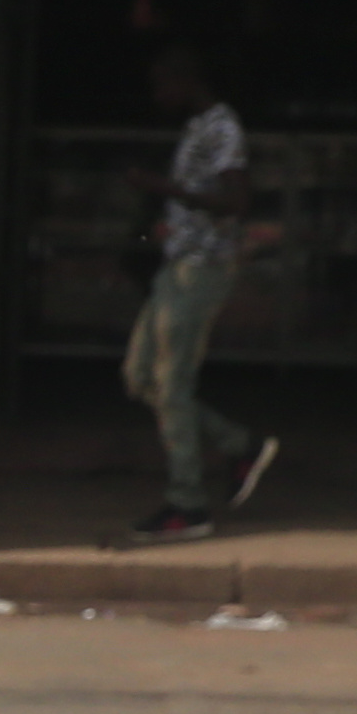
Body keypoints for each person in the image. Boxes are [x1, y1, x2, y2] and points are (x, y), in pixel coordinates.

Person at [120, 47, 276, 543]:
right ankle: (238, 445)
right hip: (178, 264)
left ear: (187, 79)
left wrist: (167, 189)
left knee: (171, 382)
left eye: (164, 84)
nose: (159, 96)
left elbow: (237, 200)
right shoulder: (196, 127)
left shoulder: (221, 128)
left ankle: (186, 503)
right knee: (141, 376)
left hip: (203, 268)